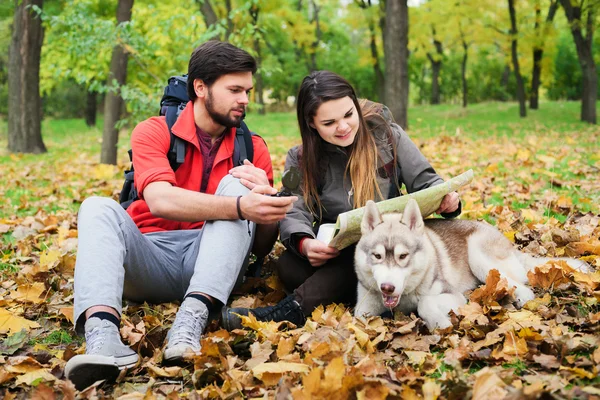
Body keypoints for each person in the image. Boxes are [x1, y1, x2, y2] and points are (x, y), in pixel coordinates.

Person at [64, 41, 297, 390]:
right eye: (234, 90)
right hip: (148, 259)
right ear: (200, 88)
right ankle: (103, 337)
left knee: (237, 186)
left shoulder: (254, 148)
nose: (245, 99)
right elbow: (159, 200)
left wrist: (266, 206)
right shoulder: (153, 131)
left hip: (214, 265)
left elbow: (261, 248)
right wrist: (239, 207)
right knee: (95, 206)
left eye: (247, 90)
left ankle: (189, 324)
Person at [221, 70, 460, 329]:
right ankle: (356, 291)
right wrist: (305, 244)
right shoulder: (300, 158)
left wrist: (448, 201)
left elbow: (427, 181)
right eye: (329, 123)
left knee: (359, 255)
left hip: (385, 247)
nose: (343, 127)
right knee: (289, 267)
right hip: (333, 248)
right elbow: (294, 208)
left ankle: (290, 311)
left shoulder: (388, 137)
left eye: (348, 114)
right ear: (312, 123)